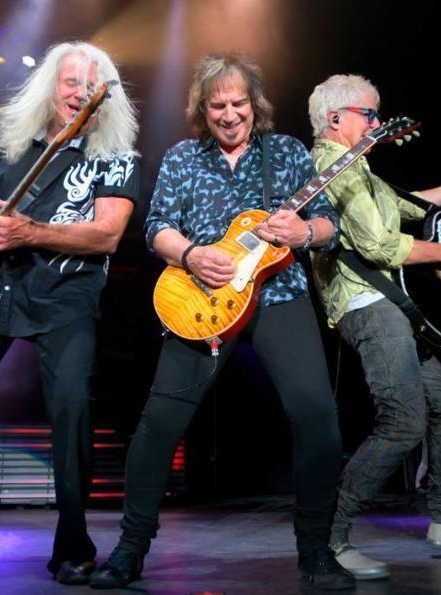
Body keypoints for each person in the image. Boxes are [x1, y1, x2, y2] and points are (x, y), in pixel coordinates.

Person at [89, 52, 354, 591]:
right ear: (201, 109)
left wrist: (307, 235)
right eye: (217, 106)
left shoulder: (287, 153)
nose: (229, 115)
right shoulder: (183, 158)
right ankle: (129, 549)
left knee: (317, 419)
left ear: (255, 105)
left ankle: (316, 551)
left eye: (238, 104)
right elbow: (156, 227)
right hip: (202, 298)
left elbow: (332, 223)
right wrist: (191, 256)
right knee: (159, 424)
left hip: (280, 295)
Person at [0, 41, 140, 592]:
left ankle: (73, 550)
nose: (80, 93)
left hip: (66, 295)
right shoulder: (15, 146)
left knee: (70, 410)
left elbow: (109, 233)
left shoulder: (117, 155)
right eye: (71, 82)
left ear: (106, 95)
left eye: (92, 86)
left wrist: (34, 233)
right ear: (51, 87)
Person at [307, 74, 441, 580]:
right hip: (366, 305)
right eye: (369, 114)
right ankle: (331, 536)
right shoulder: (333, 165)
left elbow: (408, 205)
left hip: (392, 303)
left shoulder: (361, 168)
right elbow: (377, 246)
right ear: (337, 119)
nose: (377, 123)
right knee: (402, 422)